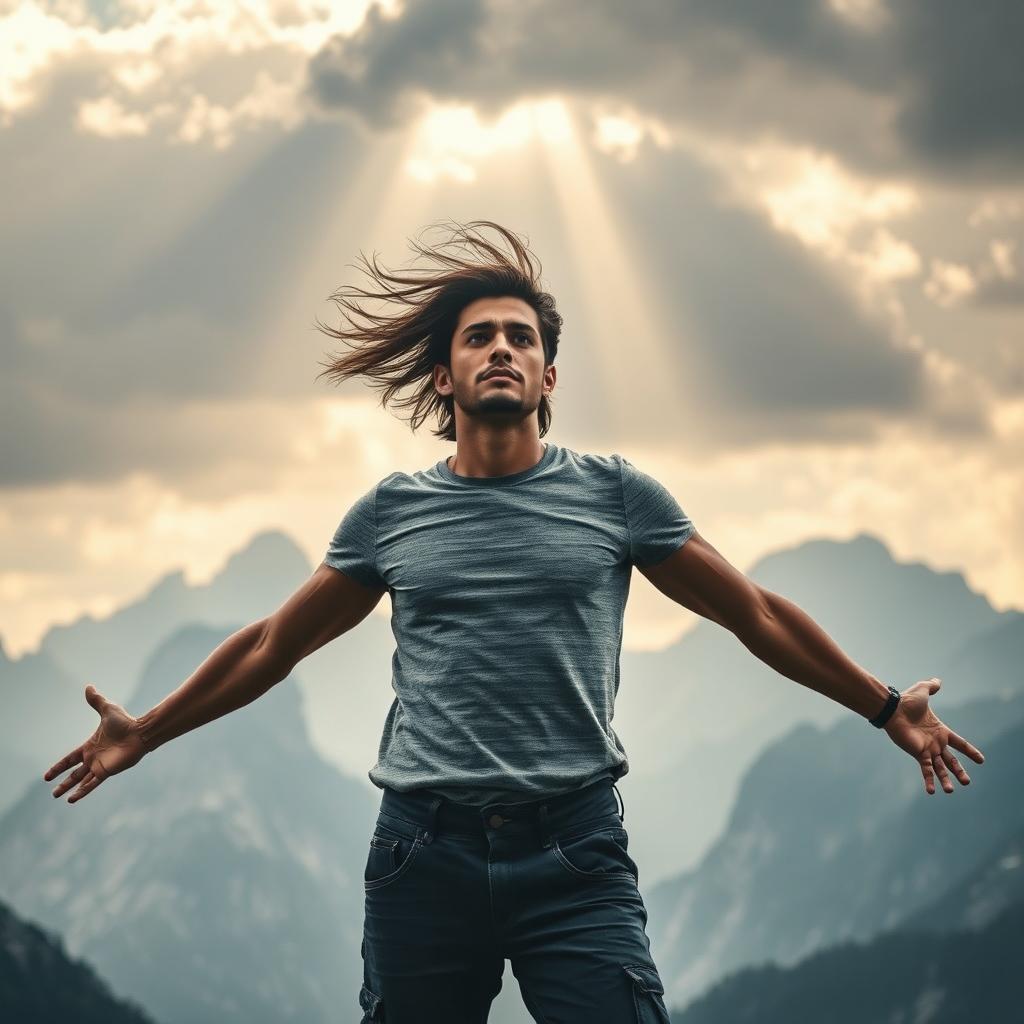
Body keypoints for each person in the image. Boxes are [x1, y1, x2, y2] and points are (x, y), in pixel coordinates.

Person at [44, 221, 987, 1024]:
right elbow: (272, 645)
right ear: (445, 377)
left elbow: (755, 613)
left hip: (574, 855)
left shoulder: (616, 497)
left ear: (548, 376)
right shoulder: (390, 515)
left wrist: (883, 705)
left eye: (522, 339)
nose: (502, 348)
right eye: (480, 337)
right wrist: (149, 729)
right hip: (422, 855)